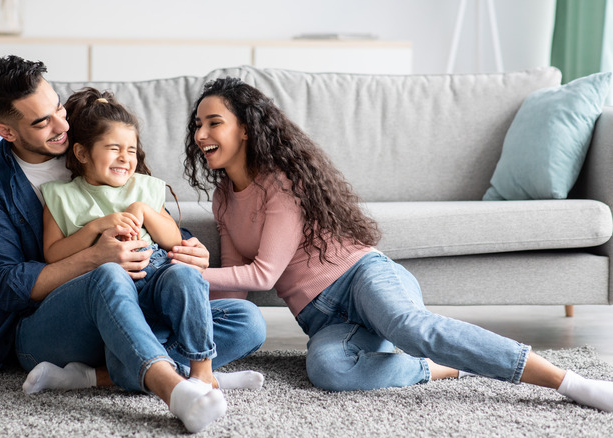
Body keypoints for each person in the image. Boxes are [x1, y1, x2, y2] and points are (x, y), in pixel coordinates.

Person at [181, 76, 613, 412]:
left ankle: (569, 382)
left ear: (247, 130)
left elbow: (265, 274)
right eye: (198, 124)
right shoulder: (222, 200)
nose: (201, 134)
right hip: (322, 318)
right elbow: (239, 292)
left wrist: (191, 272)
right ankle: (436, 367)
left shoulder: (279, 181)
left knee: (411, 328)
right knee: (328, 369)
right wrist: (175, 284)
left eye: (214, 122)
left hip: (361, 276)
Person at [0, 56, 266, 433]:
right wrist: (93, 256)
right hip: (55, 326)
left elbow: (151, 224)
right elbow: (7, 285)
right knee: (109, 274)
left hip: (138, 306)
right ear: (7, 132)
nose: (62, 126)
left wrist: (187, 249)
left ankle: (99, 374)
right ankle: (174, 390)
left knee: (246, 319)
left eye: (57, 107)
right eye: (42, 122)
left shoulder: (94, 136)